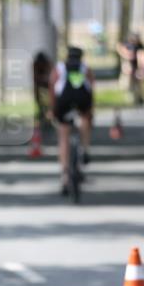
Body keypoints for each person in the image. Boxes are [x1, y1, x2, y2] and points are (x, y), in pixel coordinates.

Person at [49, 46, 95, 193]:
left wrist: (52, 109)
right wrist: (90, 110)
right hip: (82, 102)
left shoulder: (59, 68)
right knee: (85, 121)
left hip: (64, 102)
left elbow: (52, 87)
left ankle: (65, 176)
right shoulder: (85, 68)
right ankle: (85, 149)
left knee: (63, 138)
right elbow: (91, 89)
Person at [116, 33, 144, 106]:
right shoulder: (133, 46)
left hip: (138, 69)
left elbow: (140, 58)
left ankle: (140, 99)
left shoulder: (140, 48)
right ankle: (137, 99)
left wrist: (141, 69)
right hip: (133, 69)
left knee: (139, 86)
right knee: (133, 85)